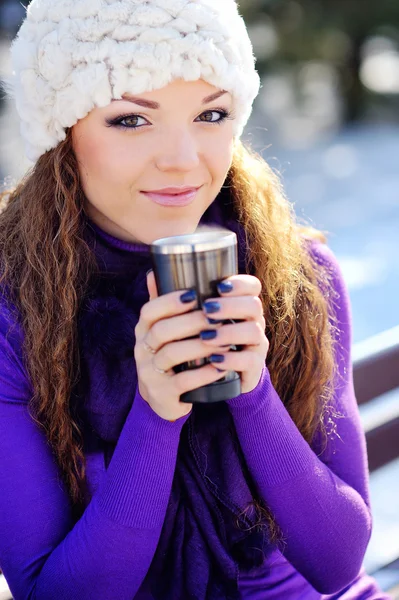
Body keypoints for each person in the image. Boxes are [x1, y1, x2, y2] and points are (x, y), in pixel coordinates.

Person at [0, 1, 391, 599]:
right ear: (63, 131)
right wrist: (156, 414)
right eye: (131, 120)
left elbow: (337, 564)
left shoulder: (299, 274)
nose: (184, 160)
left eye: (211, 113)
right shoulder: (14, 309)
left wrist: (253, 387)